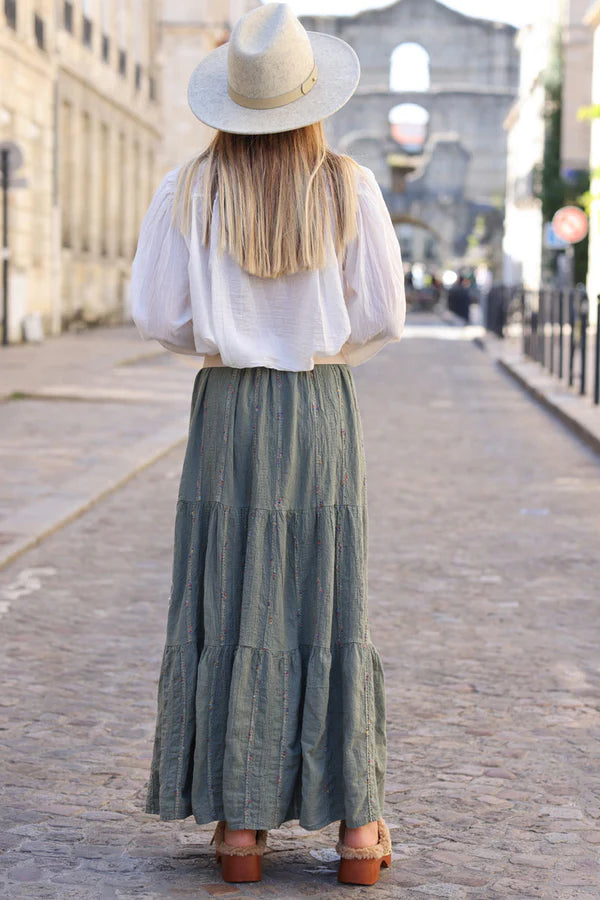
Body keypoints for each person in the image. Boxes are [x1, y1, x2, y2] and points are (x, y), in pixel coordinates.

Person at [130, 3, 405, 887]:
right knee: (328, 600)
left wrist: (228, 336)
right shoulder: (349, 185)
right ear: (311, 95)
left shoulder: (191, 188)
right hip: (321, 410)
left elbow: (157, 316)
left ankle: (241, 832)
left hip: (229, 413)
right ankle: (358, 832)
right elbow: (384, 315)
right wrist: (317, 343)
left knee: (231, 594)